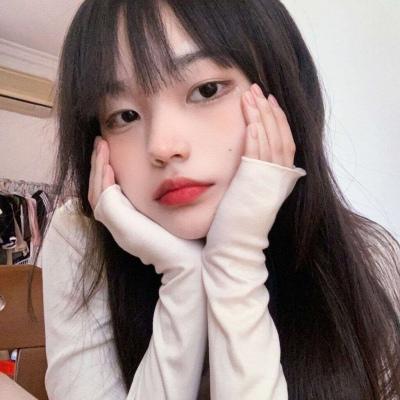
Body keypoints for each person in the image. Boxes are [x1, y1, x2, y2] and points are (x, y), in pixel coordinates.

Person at [36, 0, 400, 399]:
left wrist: (236, 258)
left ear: (282, 90)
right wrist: (182, 279)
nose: (162, 146)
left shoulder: (368, 260)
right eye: (124, 116)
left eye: (206, 90)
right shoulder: (82, 237)